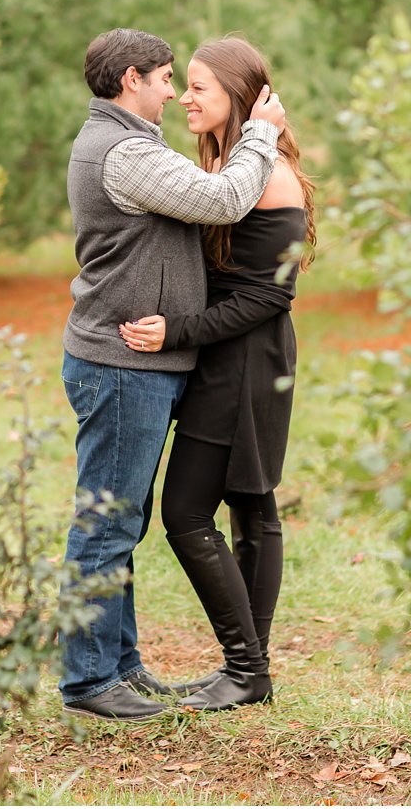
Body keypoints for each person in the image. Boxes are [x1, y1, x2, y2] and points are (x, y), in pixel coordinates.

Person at [59, 28, 287, 722]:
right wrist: (260, 134)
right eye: (164, 76)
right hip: (123, 364)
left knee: (121, 518)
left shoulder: (129, 144)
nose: (172, 90)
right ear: (131, 80)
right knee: (106, 522)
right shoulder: (125, 152)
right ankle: (90, 679)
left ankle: (118, 664)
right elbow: (221, 201)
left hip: (136, 364)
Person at [118, 36, 316, 713]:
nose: (186, 97)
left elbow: (269, 296)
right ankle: (250, 672)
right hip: (234, 362)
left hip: (244, 365)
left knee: (187, 512)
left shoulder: (271, 177)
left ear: (237, 96)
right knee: (252, 510)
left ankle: (246, 666)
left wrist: (178, 331)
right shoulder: (234, 168)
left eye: (198, 86)